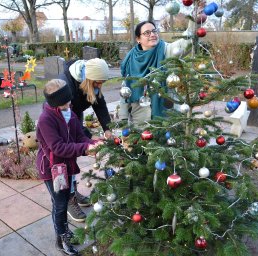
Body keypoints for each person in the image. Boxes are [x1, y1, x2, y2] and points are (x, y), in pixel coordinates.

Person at [36, 79, 102, 255]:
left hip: (67, 166)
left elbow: (80, 137)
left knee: (61, 201)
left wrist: (95, 143)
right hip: (52, 169)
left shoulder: (69, 113)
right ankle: (61, 240)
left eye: (69, 99)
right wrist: (86, 148)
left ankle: (63, 232)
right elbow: (58, 148)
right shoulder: (46, 119)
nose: (70, 103)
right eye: (66, 101)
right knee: (60, 204)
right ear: (56, 102)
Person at [59, 57, 112, 222]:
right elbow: (68, 118)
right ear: (88, 79)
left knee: (73, 160)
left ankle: (74, 193)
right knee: (65, 160)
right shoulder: (66, 85)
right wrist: (90, 137)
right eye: (97, 83)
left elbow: (100, 104)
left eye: (102, 83)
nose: (99, 86)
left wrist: (107, 129)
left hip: (74, 115)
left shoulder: (91, 81)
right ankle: (68, 200)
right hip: (60, 121)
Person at [120, 20, 193, 125]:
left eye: (154, 31)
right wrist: (123, 117)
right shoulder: (129, 59)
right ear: (138, 39)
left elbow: (186, 43)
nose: (153, 34)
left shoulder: (166, 50)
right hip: (140, 120)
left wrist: (195, 20)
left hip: (167, 118)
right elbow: (125, 90)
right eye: (147, 33)